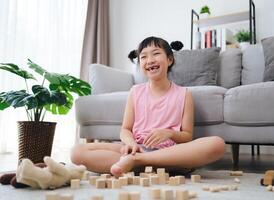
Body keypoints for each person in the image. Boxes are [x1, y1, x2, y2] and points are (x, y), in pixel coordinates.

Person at [71, 36, 225, 177]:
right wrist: (131, 145)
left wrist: (168, 134)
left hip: (170, 151)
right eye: (143, 57)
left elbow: (187, 136)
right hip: (138, 147)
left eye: (156, 54)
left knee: (217, 144)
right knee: (76, 152)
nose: (150, 60)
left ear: (170, 59)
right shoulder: (135, 92)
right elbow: (125, 129)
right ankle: (157, 165)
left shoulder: (184, 94)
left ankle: (140, 162)